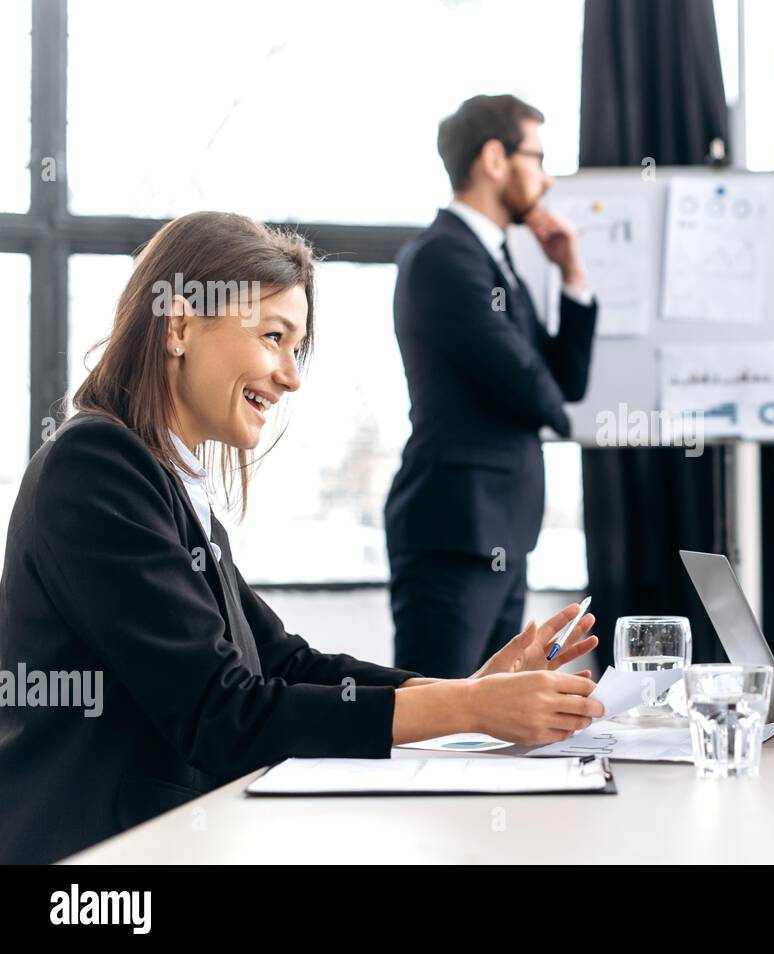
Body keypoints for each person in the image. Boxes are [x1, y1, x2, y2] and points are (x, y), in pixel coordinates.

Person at [0, 211, 603, 864]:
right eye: (273, 337)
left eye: (296, 348)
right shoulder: (96, 467)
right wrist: (468, 709)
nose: (291, 376)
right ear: (179, 325)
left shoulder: (167, 483)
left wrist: (466, 692)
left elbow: (286, 665)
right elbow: (223, 714)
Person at [385, 93, 598, 678]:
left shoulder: (494, 259)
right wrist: (552, 404)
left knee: (492, 719)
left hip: (497, 528)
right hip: (457, 528)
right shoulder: (443, 257)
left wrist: (571, 273)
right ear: (494, 158)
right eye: (538, 156)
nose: (548, 179)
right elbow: (530, 385)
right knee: (441, 718)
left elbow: (565, 383)